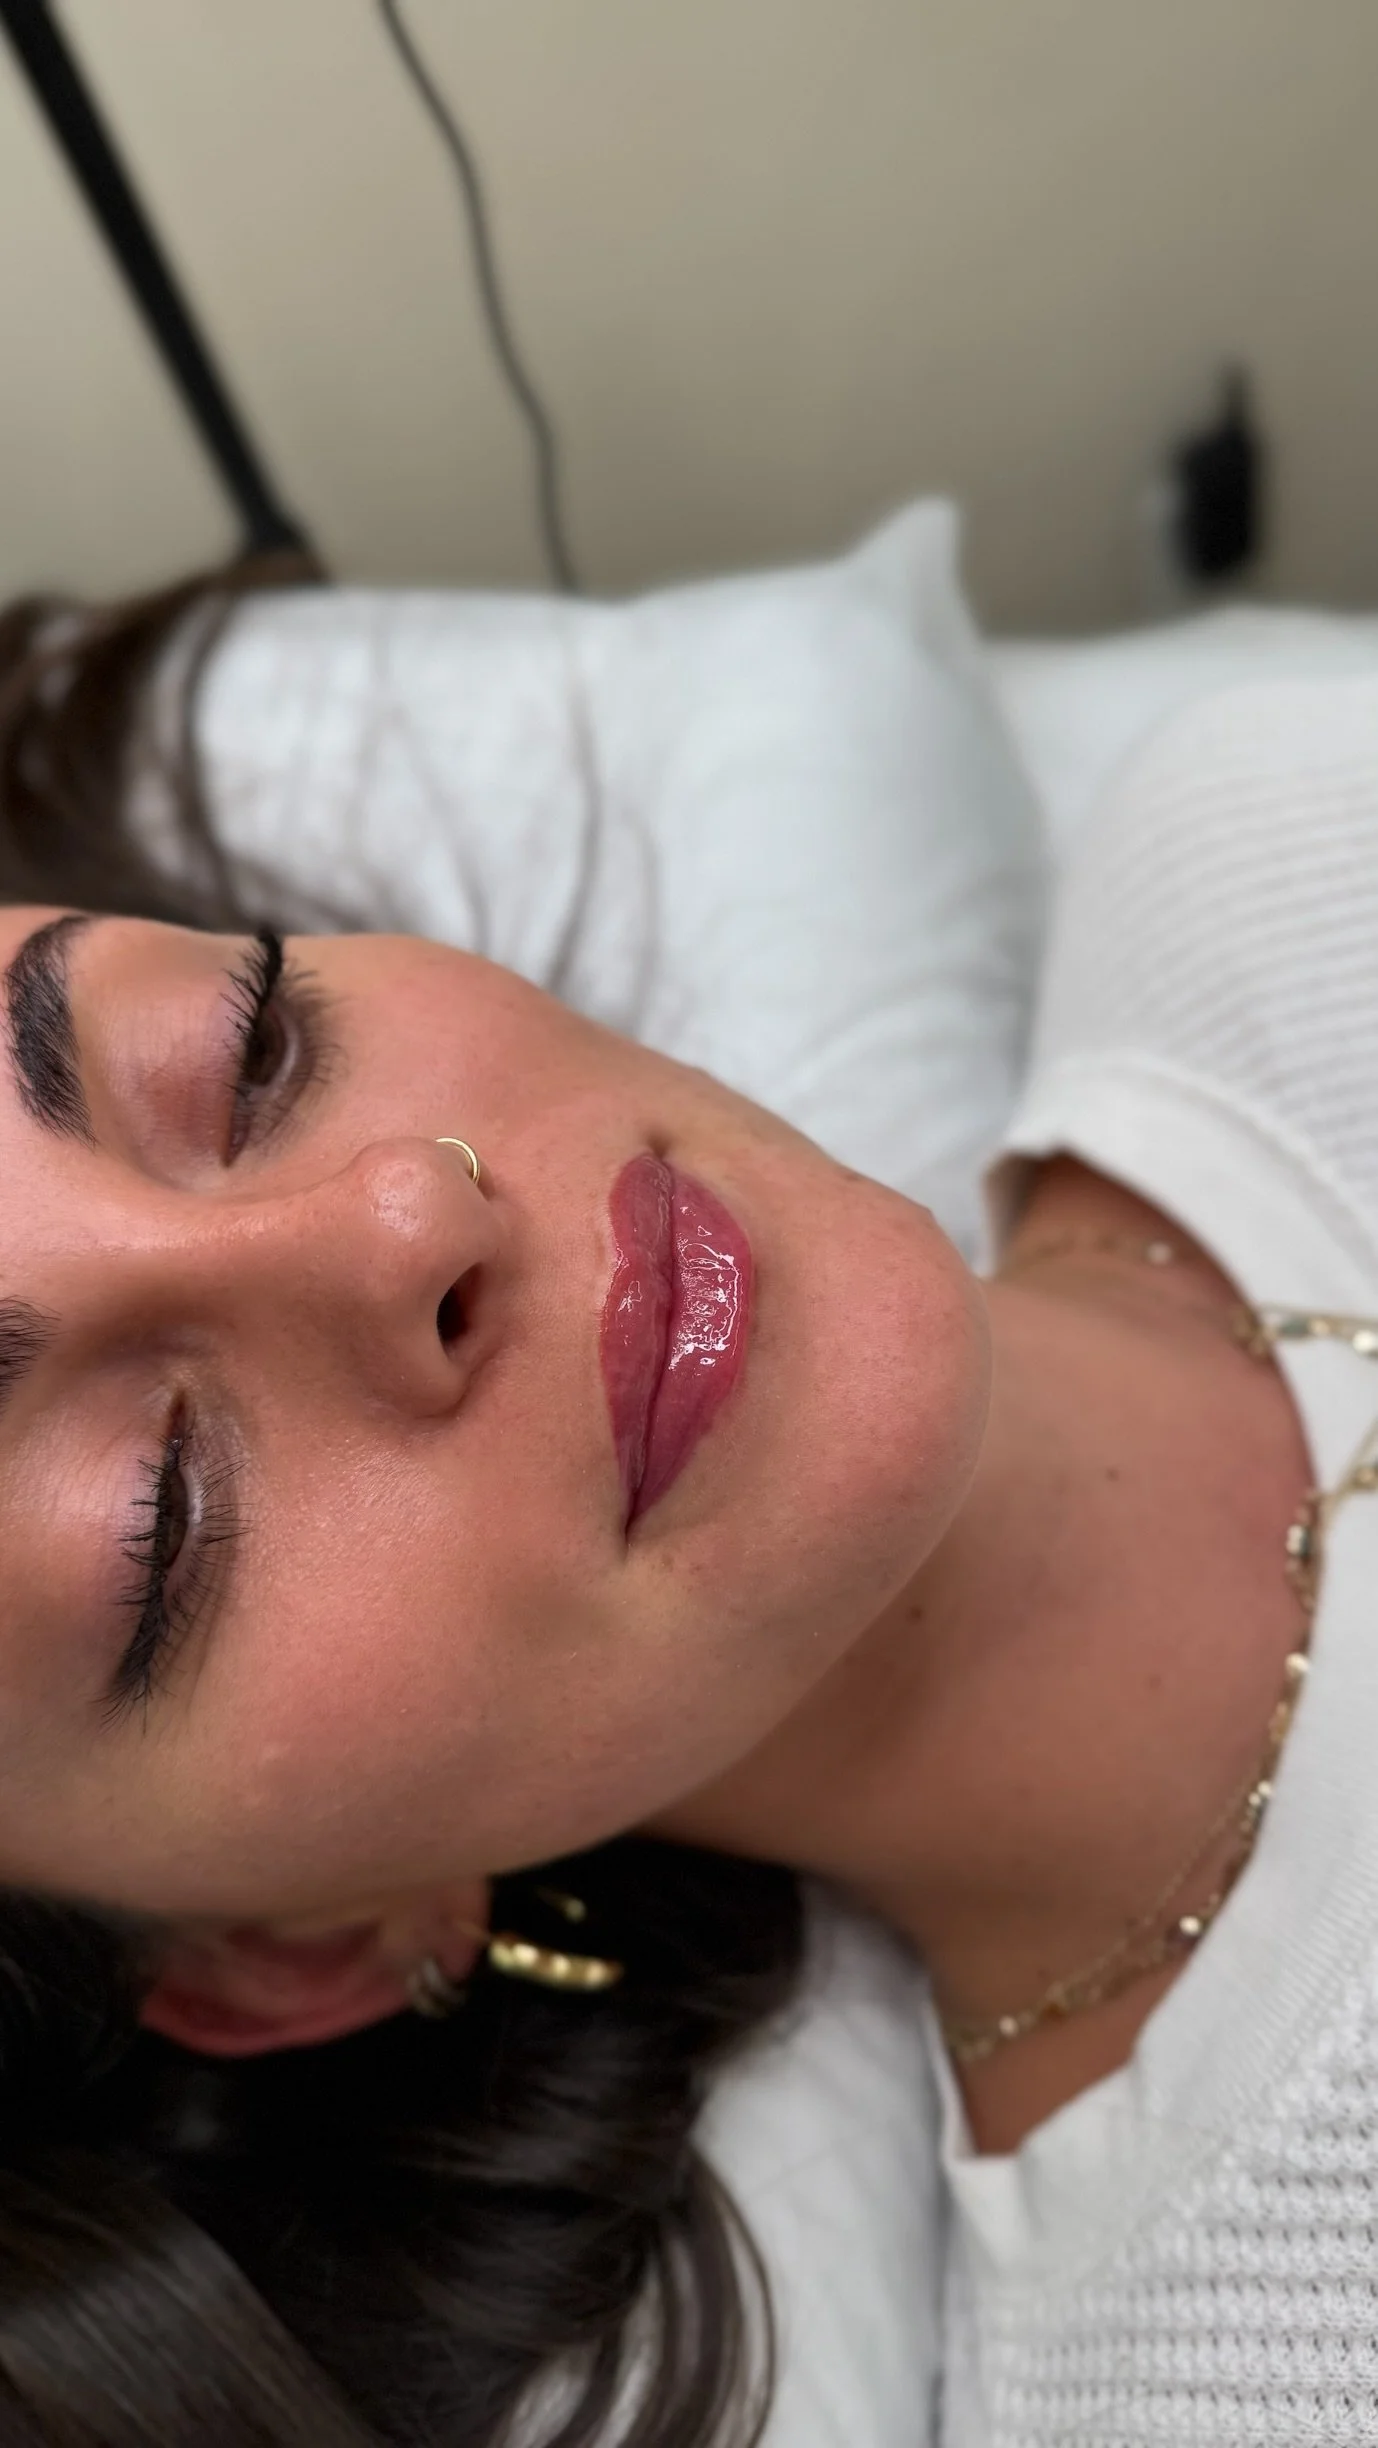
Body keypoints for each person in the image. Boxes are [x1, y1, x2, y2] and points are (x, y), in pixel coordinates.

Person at [2, 555, 1377, 2448]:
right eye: (160, 1516)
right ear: (285, 1951)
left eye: (248, 1048)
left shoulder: (1273, 838)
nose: (402, 1216)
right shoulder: (1252, 2378)